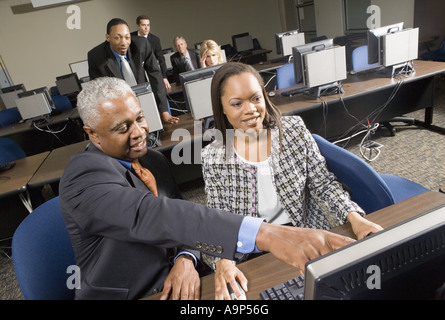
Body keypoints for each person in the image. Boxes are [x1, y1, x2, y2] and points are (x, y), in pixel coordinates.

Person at [59, 76, 356, 300]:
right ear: (93, 134)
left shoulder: (152, 160)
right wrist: (266, 233)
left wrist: (185, 258)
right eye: (123, 128)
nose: (139, 133)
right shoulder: (82, 177)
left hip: (184, 283)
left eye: (139, 119)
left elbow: (179, 213)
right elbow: (151, 215)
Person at [201, 62, 383, 299]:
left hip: (304, 234)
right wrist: (223, 260)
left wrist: (355, 218)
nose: (250, 109)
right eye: (237, 104)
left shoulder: (293, 130)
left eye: (256, 98)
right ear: (222, 108)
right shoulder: (213, 156)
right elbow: (217, 218)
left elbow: (323, 183)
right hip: (254, 249)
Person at [87, 18, 178, 125]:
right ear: (108, 37)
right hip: (118, 106)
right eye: (117, 38)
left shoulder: (141, 45)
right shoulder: (96, 56)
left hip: (144, 98)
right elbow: (99, 92)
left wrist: (163, 110)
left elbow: (156, 76)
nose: (124, 43)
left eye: (127, 37)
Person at [131, 15, 171, 91]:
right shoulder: (130, 38)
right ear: (138, 26)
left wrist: (164, 77)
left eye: (148, 25)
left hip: (151, 69)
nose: (146, 28)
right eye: (143, 25)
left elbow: (161, 59)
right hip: (137, 72)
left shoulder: (155, 40)